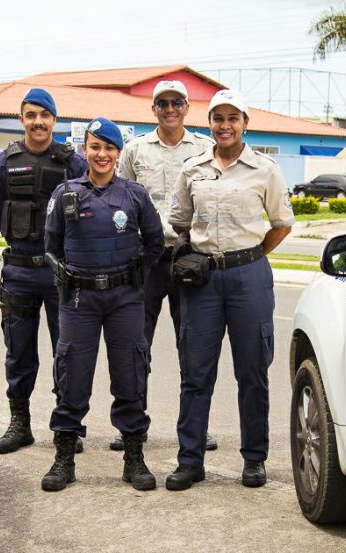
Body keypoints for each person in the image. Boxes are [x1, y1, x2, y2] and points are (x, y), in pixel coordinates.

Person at [165, 90, 295, 491]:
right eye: (217, 118)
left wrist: (249, 254)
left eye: (232, 118)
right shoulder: (193, 169)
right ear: (209, 123)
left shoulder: (265, 169)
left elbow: (281, 223)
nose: (225, 125)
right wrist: (209, 252)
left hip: (249, 277)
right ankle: (190, 460)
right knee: (195, 373)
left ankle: (254, 459)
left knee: (252, 372)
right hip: (202, 281)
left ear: (245, 122)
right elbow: (180, 221)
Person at [41, 117, 164, 492]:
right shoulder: (65, 194)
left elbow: (156, 243)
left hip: (125, 299)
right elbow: (51, 246)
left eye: (109, 148)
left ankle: (133, 459)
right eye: (95, 146)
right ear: (85, 149)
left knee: (130, 374)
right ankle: (64, 458)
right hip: (79, 299)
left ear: (118, 152)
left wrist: (131, 275)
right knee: (72, 375)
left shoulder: (135, 196)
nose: (102, 154)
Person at [112, 80, 218, 452]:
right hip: (145, 261)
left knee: (192, 346)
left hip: (189, 258)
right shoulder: (134, 150)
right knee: (136, 344)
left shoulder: (206, 149)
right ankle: (132, 423)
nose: (169, 108)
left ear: (187, 107)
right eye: (162, 103)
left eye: (176, 102)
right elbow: (118, 200)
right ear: (153, 109)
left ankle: (196, 427)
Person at [0, 88, 88, 455]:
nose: (38, 121)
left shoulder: (74, 163)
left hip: (62, 273)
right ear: (21, 119)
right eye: (31, 115)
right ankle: (20, 423)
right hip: (19, 272)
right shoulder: (0, 164)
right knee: (19, 352)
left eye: (45, 115)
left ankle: (68, 426)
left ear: (54, 120)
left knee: (69, 350)